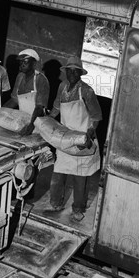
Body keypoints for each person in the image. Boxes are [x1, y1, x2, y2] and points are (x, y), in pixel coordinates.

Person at [45, 55, 102, 223]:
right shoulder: (62, 87)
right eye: (69, 71)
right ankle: (56, 203)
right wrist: (46, 120)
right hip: (65, 138)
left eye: (74, 71)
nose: (71, 74)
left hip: (81, 139)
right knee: (58, 173)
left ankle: (78, 209)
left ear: (80, 73)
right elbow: (55, 109)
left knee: (80, 178)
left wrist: (87, 137)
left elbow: (96, 118)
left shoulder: (86, 91)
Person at [3, 48, 50, 135]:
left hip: (37, 123)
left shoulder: (41, 79)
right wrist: (1, 111)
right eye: (21, 62)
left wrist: (31, 124)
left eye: (25, 62)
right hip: (22, 121)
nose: (22, 65)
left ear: (34, 63)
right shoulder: (20, 77)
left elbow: (39, 108)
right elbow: (14, 100)